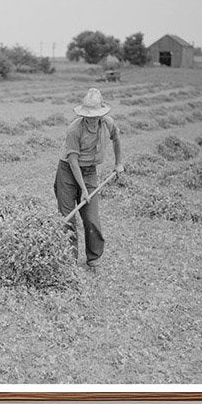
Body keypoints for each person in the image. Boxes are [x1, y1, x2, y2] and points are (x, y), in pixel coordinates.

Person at [54, 87, 124, 269]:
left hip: (90, 171)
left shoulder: (108, 123)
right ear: (83, 114)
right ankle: (68, 260)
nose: (92, 119)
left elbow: (116, 139)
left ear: (101, 114)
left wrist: (118, 163)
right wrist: (84, 190)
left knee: (91, 217)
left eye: (95, 116)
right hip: (68, 172)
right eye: (89, 116)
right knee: (67, 217)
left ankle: (93, 257)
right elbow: (73, 161)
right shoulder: (74, 129)